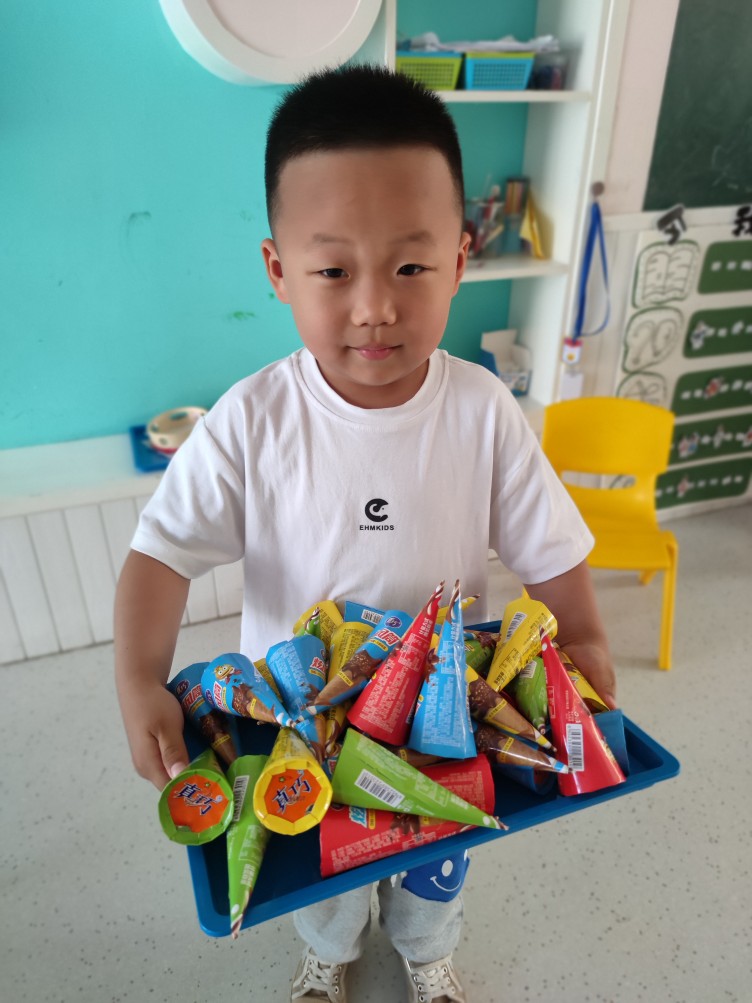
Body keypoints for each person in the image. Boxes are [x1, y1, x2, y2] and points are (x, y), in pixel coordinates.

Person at [114, 64, 617, 1003]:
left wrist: (582, 633)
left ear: (461, 259)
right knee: (321, 872)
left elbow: (550, 544)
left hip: (448, 722)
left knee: (438, 863)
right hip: (296, 728)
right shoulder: (251, 419)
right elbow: (163, 551)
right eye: (334, 270)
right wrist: (138, 677)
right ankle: (329, 953)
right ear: (279, 270)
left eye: (410, 267)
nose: (376, 305)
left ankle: (427, 952)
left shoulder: (483, 410)